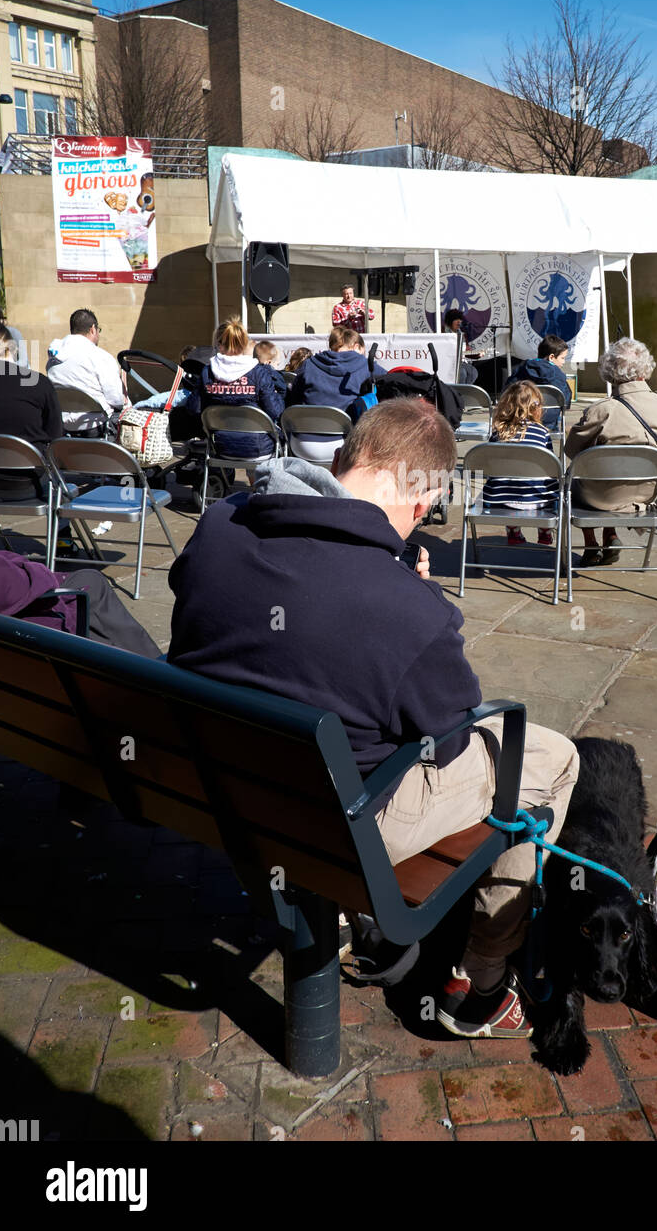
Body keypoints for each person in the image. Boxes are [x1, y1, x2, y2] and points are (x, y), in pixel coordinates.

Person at [168, 399, 578, 1037]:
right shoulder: (407, 608)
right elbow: (448, 736)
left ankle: (337, 919)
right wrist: (417, 592)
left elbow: (275, 615)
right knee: (544, 757)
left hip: (219, 788)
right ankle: (482, 980)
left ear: (340, 460)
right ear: (421, 502)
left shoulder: (218, 526)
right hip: (341, 827)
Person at [564, 338, 657, 566]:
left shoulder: (601, 410)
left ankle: (591, 542)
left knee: (578, 473)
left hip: (599, 496)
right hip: (646, 494)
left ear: (609, 371)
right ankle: (609, 535)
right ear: (646, 368)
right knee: (608, 470)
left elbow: (572, 450)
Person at [0, 549, 161, 659]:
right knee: (93, 584)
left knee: (88, 579)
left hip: (16, 636)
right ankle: (160, 674)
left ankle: (155, 668)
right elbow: (27, 583)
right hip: (39, 639)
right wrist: (27, 565)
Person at [188, 318, 284, 462]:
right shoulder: (259, 372)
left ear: (219, 345)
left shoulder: (207, 372)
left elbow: (194, 409)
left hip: (221, 446)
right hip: (259, 447)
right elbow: (275, 411)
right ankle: (256, 482)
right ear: (245, 344)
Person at [482, 381, 558, 547]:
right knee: (551, 480)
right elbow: (551, 466)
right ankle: (544, 530)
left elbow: (488, 464)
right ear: (536, 407)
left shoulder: (497, 433)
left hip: (500, 499)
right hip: (537, 499)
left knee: (504, 480)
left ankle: (513, 530)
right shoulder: (543, 432)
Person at [0, 324, 63, 505]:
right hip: (29, 483)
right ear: (11, 348)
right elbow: (56, 437)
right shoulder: (38, 383)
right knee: (60, 483)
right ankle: (63, 532)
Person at [45, 309, 124, 431]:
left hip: (62, 425)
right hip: (96, 425)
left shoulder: (53, 358)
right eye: (99, 330)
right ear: (93, 329)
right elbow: (117, 400)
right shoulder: (101, 357)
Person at [287, 326, 386, 420]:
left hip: (304, 431)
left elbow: (294, 399)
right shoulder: (366, 365)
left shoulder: (308, 364)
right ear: (356, 347)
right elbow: (391, 384)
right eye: (363, 351)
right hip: (348, 433)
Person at [508, 334, 573, 431]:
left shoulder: (521, 368)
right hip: (546, 423)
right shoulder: (558, 375)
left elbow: (506, 391)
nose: (563, 362)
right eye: (562, 358)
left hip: (518, 420)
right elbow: (565, 401)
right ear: (551, 357)